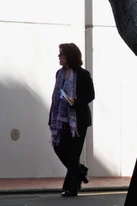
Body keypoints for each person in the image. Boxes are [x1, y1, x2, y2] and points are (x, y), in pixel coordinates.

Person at [48, 43, 95, 197]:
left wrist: (75, 102)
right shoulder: (59, 74)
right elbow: (55, 97)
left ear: (69, 57)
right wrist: (52, 119)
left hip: (78, 120)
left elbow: (90, 95)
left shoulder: (83, 74)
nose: (58, 57)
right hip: (61, 119)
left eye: (61, 54)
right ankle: (80, 171)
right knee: (59, 147)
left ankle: (71, 188)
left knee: (73, 153)